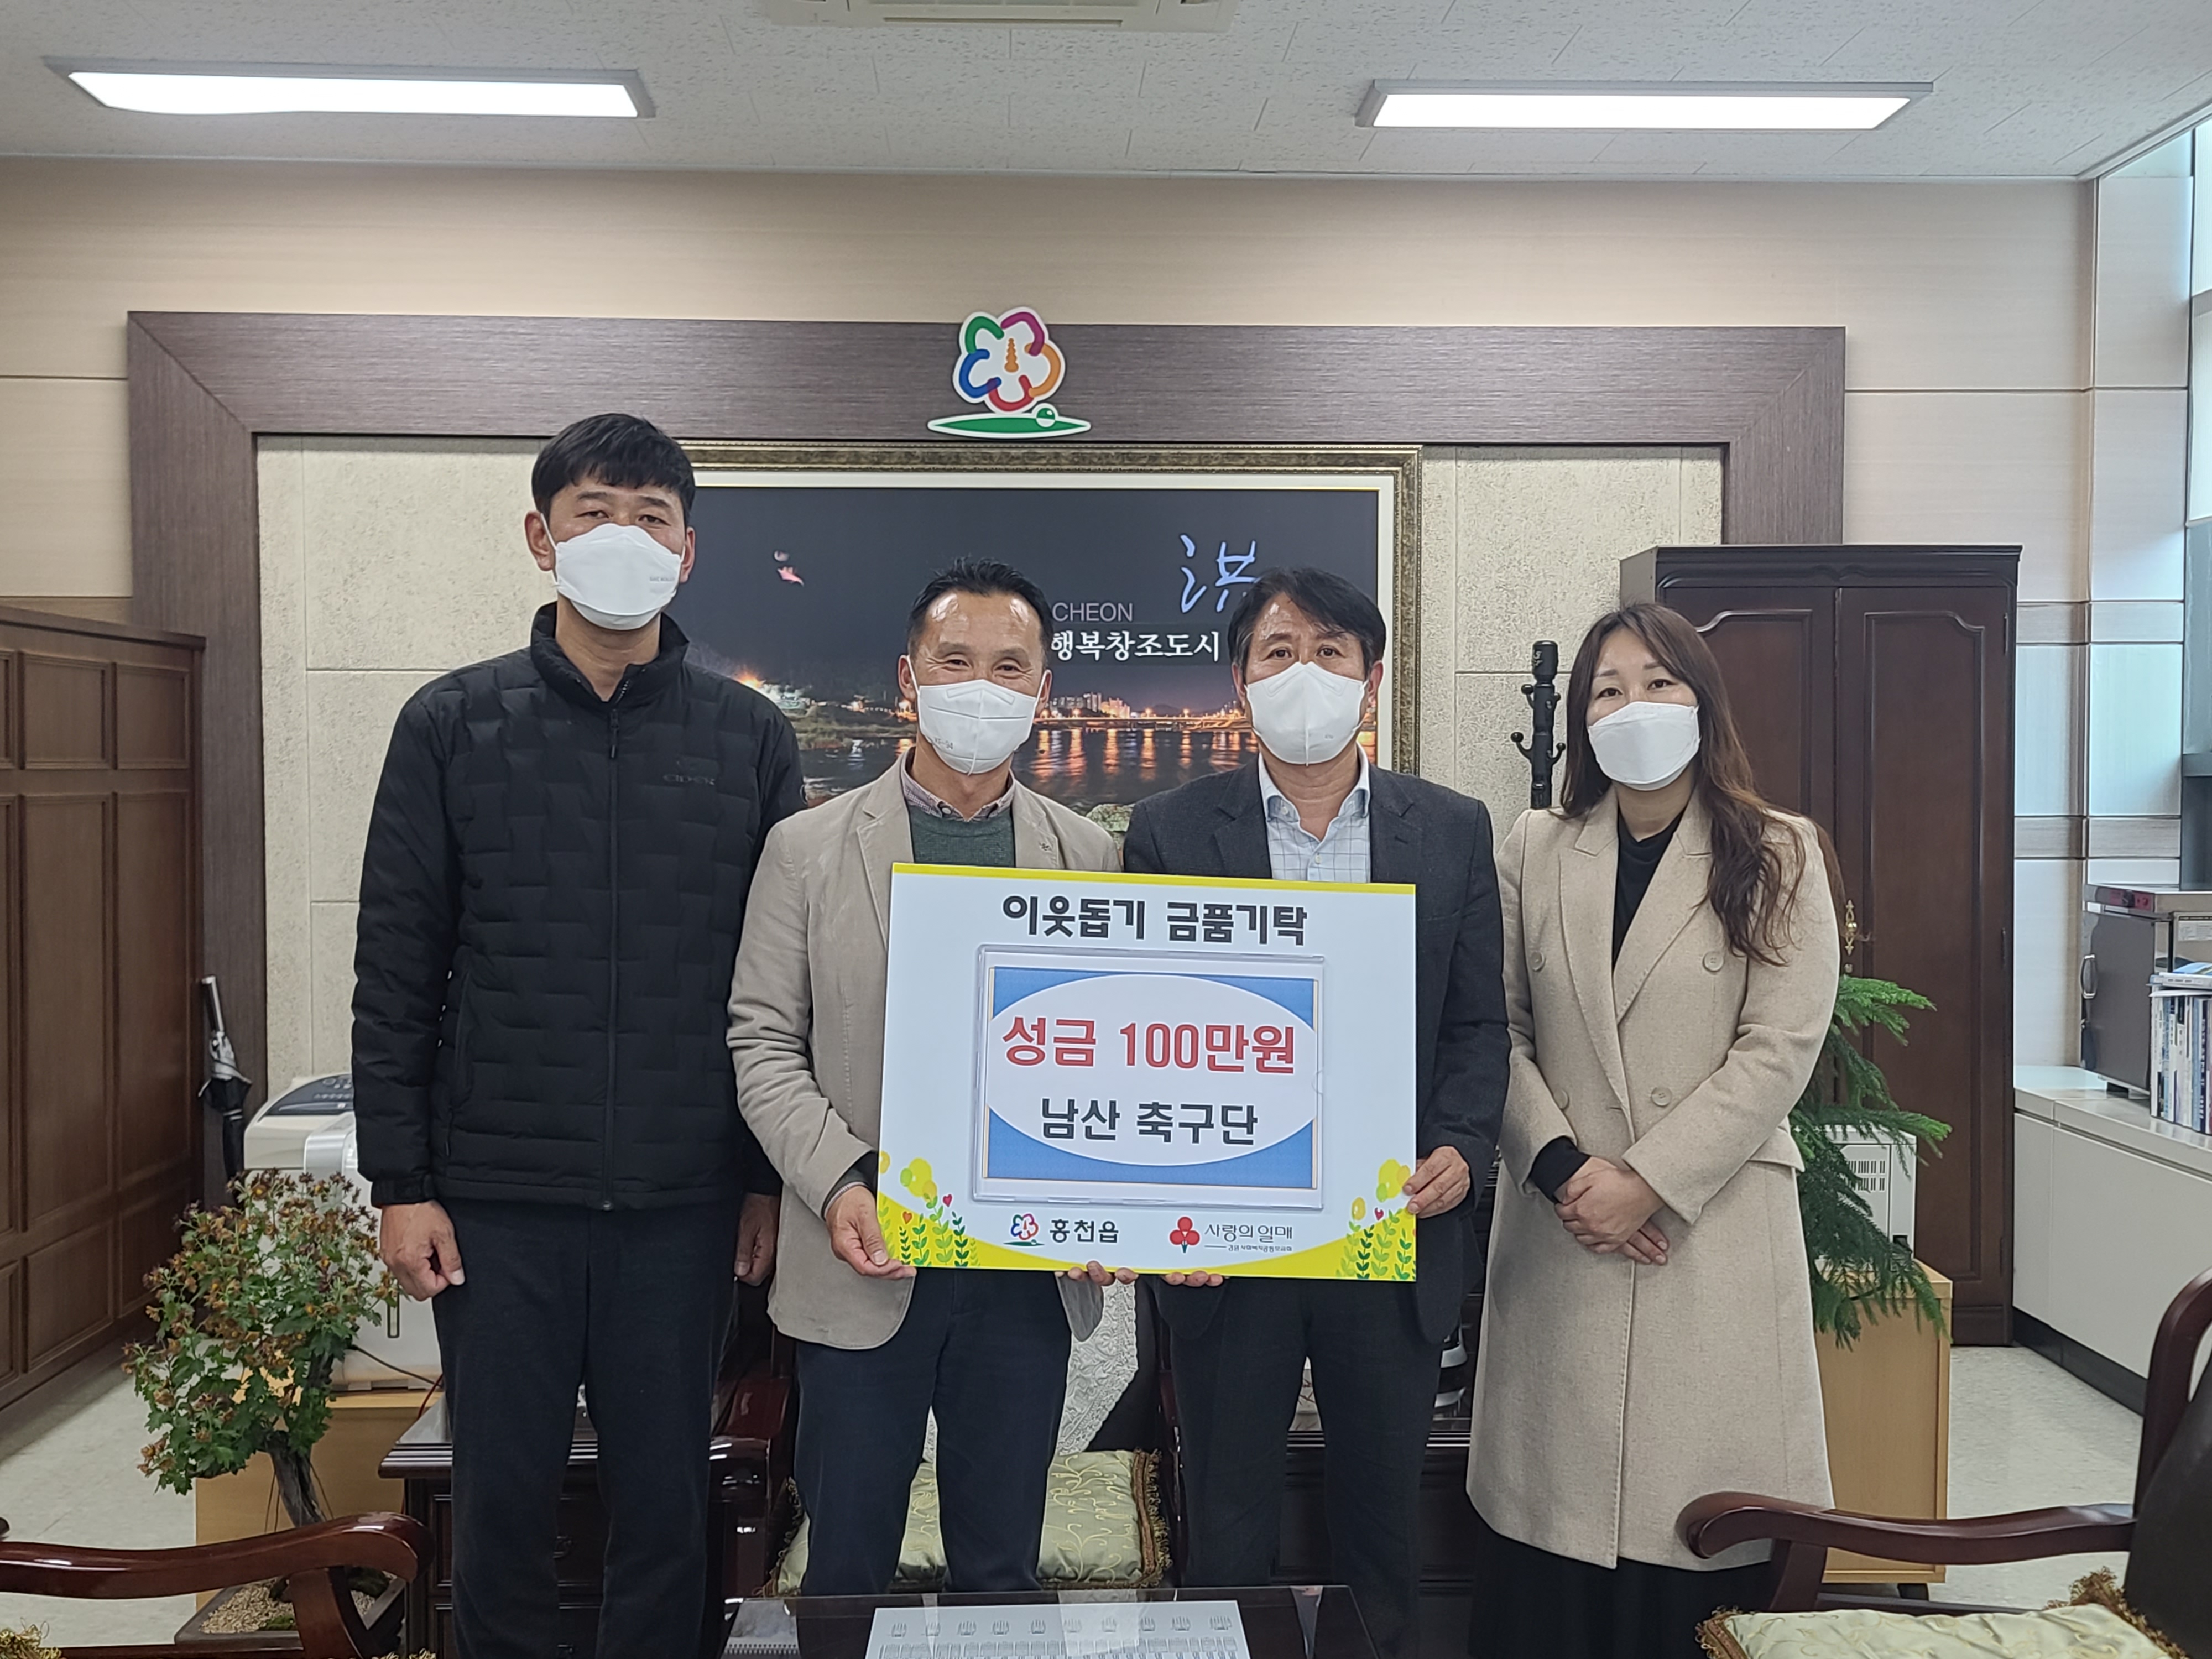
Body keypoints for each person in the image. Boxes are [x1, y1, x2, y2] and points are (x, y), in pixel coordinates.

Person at [353, 413, 800, 1659]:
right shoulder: (450, 723)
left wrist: (763, 1179)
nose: (624, 538)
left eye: (653, 517)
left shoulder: (747, 737)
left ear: (688, 553)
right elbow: (397, 970)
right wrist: (402, 1184)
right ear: (539, 537)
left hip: (684, 1198)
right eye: (594, 512)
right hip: (498, 1204)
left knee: (665, 1503)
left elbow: (781, 986)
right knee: (501, 1504)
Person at [1121, 567, 1509, 1659]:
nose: (1306, 673)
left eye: (1331, 652)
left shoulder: (1450, 829)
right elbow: (1143, 1033)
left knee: (1381, 1530)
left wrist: (1462, 1146)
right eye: (1278, 652)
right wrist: (1162, 1205)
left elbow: (1477, 1024)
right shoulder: (1168, 830)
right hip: (1228, 1244)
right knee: (1228, 1527)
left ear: (1370, 680)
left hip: (1389, 1227)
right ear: (1239, 681)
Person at [728, 559, 1126, 1595]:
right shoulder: (807, 848)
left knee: (1002, 1570)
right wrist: (843, 1180)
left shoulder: (1090, 855)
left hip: (1023, 1276)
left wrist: (1113, 1204)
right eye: (956, 662)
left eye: (1009, 667)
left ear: (1043, 691)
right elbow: (761, 1042)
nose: (981, 687)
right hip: (864, 1255)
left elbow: (1115, 1054)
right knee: (846, 1569)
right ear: (909, 677)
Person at [1465, 602, 1840, 1659]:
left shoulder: (1777, 851)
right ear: (1582, 722)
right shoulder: (1538, 847)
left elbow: (1778, 1050)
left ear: (1702, 699)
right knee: (1552, 1542)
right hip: (1564, 1230)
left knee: (1694, 1543)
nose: (1635, 705)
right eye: (1608, 690)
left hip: (1705, 1230)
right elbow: (1494, 1027)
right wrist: (1564, 1170)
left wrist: (1648, 1180)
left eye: (1659, 682)